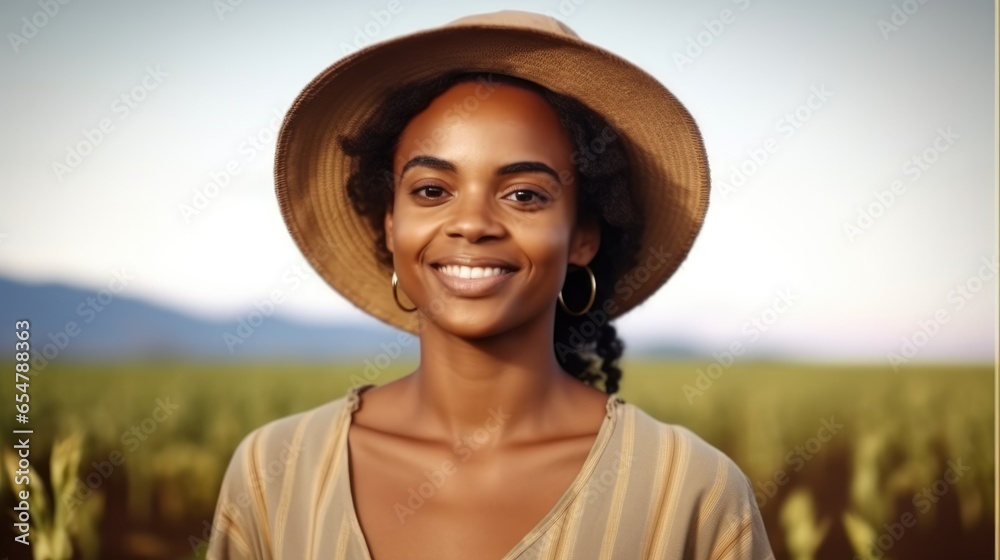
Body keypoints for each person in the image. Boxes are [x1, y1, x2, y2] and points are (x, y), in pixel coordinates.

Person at [206, 10, 774, 560]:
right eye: (432, 190)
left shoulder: (692, 493)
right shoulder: (272, 473)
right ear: (391, 225)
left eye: (524, 194)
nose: (472, 223)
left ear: (582, 237)